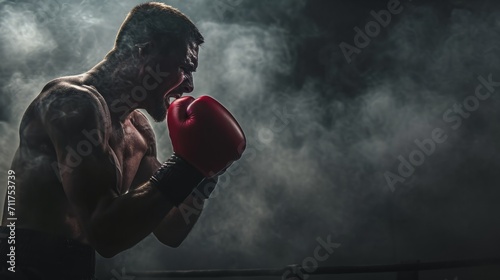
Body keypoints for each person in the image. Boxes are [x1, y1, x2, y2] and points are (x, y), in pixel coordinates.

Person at [0, 2, 246, 279]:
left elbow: (171, 229)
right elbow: (105, 235)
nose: (189, 85)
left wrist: (204, 173)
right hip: (18, 264)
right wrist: (185, 168)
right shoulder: (71, 103)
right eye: (184, 67)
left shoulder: (139, 131)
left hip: (76, 268)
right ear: (145, 52)